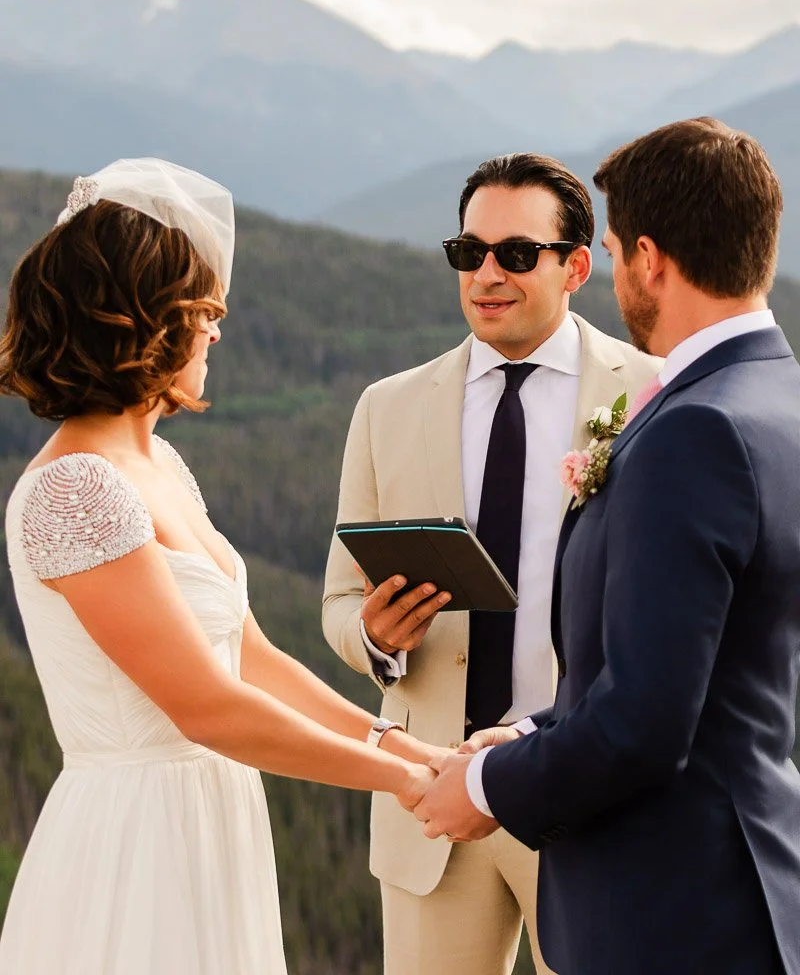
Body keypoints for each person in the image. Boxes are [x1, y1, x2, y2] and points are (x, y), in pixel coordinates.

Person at [0, 158, 441, 975]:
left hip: (210, 820)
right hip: (136, 840)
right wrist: (400, 784)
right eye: (201, 310)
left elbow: (250, 659)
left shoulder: (162, 468)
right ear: (145, 320)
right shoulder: (72, 489)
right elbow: (206, 707)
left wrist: (410, 748)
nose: (215, 329)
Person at [415, 119, 800, 975]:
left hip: (672, 909)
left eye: (619, 249)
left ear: (649, 259)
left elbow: (644, 722)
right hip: (740, 877)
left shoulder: (694, 427)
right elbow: (688, 673)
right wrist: (525, 736)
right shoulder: (774, 393)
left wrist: (484, 787)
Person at [322, 153, 659, 975]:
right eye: (468, 253)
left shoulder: (651, 393)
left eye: (515, 253)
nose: (486, 274)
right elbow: (338, 597)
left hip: (582, 797)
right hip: (428, 799)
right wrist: (374, 638)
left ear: (576, 265)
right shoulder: (387, 407)